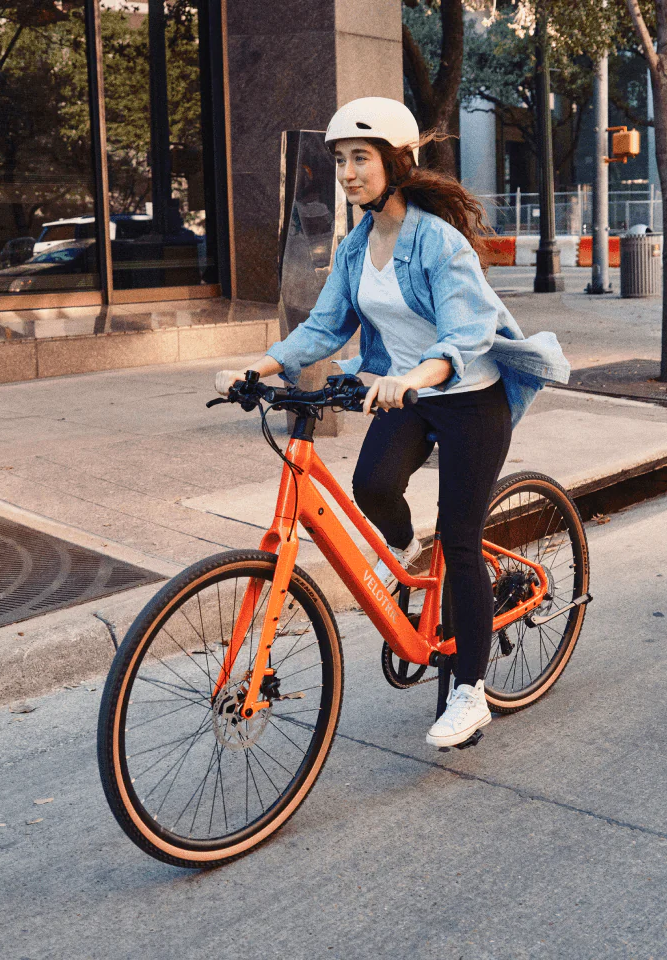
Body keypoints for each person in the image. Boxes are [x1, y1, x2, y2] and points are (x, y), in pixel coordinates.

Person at [215, 97, 570, 748]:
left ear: (396, 162)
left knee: (461, 541)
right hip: (405, 394)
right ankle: (406, 550)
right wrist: (257, 367)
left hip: (468, 397)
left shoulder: (438, 242)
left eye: (361, 158)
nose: (348, 173)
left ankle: (470, 691)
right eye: (340, 160)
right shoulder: (356, 247)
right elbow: (325, 326)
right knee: (373, 486)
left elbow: (465, 334)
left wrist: (414, 377)